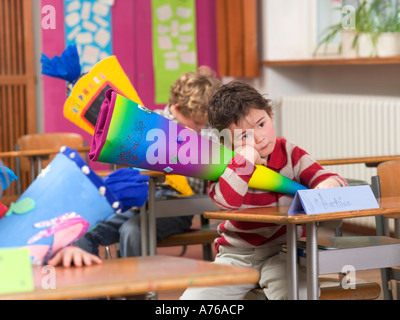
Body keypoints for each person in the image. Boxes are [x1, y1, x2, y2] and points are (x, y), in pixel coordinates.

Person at [180, 80, 348, 300]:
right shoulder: (220, 163)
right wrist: (245, 159)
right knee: (194, 300)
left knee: (301, 294)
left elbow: (331, 179)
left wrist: (326, 186)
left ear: (270, 114)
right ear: (226, 142)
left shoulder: (291, 154)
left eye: (261, 124)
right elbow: (226, 202)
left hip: (285, 253)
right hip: (235, 256)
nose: (259, 138)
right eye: (244, 136)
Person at [52, 66, 220, 267]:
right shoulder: (148, 121)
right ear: (176, 109)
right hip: (139, 201)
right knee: (84, 230)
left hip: (177, 208)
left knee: (132, 230)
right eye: (196, 123)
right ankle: (90, 295)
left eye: (204, 123)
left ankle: (137, 293)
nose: (201, 128)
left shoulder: (207, 133)